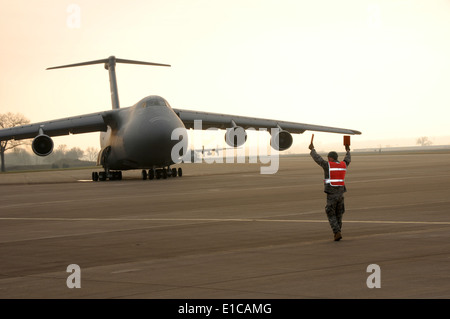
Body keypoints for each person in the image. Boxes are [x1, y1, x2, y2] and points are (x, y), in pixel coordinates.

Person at [309, 140, 351, 241]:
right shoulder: (343, 165)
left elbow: (318, 159)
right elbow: (347, 159)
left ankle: (336, 232)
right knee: (339, 214)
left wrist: (312, 150)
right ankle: (338, 231)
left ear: (330, 158)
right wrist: (348, 150)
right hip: (341, 194)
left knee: (330, 213)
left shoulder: (328, 165)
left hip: (331, 194)